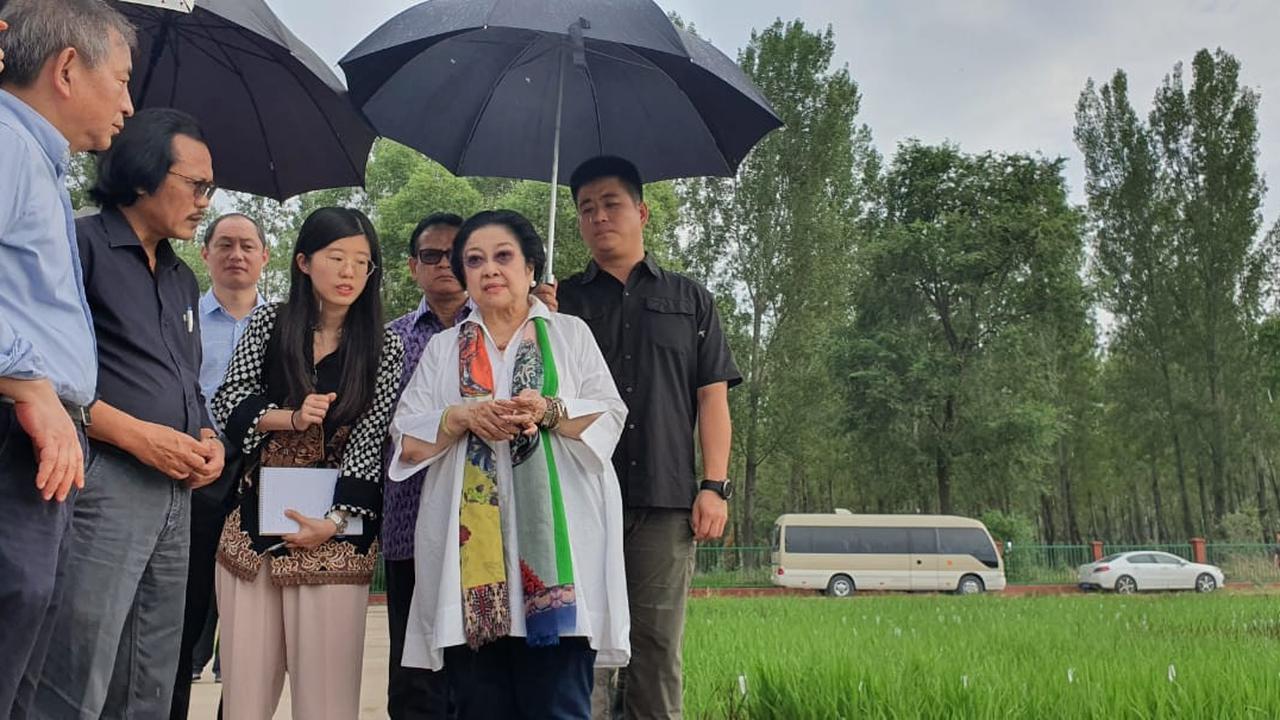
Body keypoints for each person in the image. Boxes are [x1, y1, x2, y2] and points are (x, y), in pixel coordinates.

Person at [388, 210, 630, 719]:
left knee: (559, 708)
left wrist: (550, 410)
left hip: (561, 563)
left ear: (530, 268)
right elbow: (407, 441)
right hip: (470, 572)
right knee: (478, 707)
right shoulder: (444, 348)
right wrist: (460, 417)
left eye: (503, 256)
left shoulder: (569, 336)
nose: (490, 270)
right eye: (475, 261)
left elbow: (610, 415)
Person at [31, 107, 224, 719]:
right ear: (143, 175)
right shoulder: (77, 245)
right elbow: (38, 374)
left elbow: (186, 381)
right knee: (79, 658)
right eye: (196, 184)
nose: (205, 201)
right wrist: (135, 435)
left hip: (175, 491)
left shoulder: (182, 278)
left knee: (152, 669)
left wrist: (208, 436)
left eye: (210, 188)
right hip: (101, 479)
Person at [558, 156, 740, 720]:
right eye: (586, 208)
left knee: (657, 648)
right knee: (583, 647)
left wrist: (714, 486)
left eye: (611, 204)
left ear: (642, 212)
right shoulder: (560, 303)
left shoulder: (691, 300)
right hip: (581, 496)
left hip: (664, 499)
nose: (598, 217)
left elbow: (712, 399)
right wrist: (532, 316)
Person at [211, 207, 404, 720]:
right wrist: (291, 418)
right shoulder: (269, 323)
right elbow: (229, 399)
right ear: (303, 262)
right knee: (245, 696)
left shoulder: (384, 346)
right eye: (336, 257)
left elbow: (370, 440)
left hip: (336, 535)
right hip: (253, 528)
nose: (349, 272)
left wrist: (334, 522)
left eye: (362, 262)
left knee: (327, 702)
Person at [0, 1, 135, 715]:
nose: (128, 104)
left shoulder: (40, 164)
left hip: (42, 438)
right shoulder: (7, 145)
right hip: (17, 429)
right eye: (122, 80)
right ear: (67, 68)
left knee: (25, 660)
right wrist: (29, 384)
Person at [170, 212, 270, 719]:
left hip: (261, 476)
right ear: (205, 253)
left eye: (248, 246)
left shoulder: (284, 326)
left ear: (265, 257)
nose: (237, 255)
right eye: (225, 244)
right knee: (182, 615)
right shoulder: (180, 318)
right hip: (196, 471)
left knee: (253, 625)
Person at [384, 212, 469, 719]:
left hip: (481, 524)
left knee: (476, 668)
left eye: (456, 254)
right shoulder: (389, 340)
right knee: (414, 671)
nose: (444, 264)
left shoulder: (505, 334)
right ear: (413, 266)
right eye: (431, 255)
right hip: (408, 520)